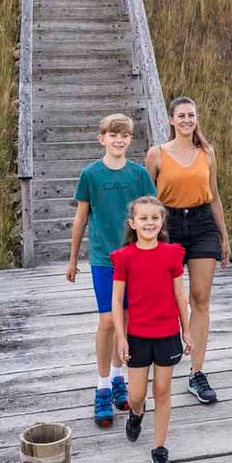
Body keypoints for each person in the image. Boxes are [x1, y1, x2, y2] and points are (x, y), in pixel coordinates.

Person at [65, 113, 157, 428]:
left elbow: (152, 216)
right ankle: (102, 386)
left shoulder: (139, 175)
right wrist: (73, 257)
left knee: (127, 321)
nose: (119, 141)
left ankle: (119, 377)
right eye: (113, 135)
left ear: (131, 140)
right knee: (107, 321)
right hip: (105, 259)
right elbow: (81, 218)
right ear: (101, 138)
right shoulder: (90, 174)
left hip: (137, 258)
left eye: (125, 136)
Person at [145, 95, 229, 405]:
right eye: (181, 115)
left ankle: (196, 373)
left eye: (191, 115)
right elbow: (148, 202)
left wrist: (224, 236)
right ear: (171, 120)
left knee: (200, 298)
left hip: (203, 224)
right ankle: (160, 362)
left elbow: (215, 197)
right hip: (168, 226)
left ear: (196, 119)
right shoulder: (157, 155)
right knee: (166, 298)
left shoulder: (206, 153)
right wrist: (147, 239)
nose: (186, 120)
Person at [111, 195, 189, 463]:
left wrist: (187, 329)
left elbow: (180, 294)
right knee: (137, 395)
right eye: (143, 218)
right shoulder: (124, 257)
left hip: (167, 333)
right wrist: (121, 338)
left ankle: (159, 449)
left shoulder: (172, 254)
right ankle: (136, 414)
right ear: (133, 223)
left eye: (155, 218)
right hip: (137, 336)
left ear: (162, 222)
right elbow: (117, 301)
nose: (149, 223)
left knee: (164, 391)